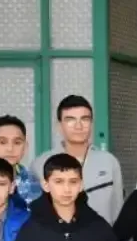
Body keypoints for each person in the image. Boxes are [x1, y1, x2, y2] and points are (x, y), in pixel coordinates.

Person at [30, 95, 123, 226]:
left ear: (92, 124)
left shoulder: (109, 162)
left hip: (102, 236)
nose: (78, 126)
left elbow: (118, 211)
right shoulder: (40, 164)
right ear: (59, 126)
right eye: (70, 120)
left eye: (85, 119)